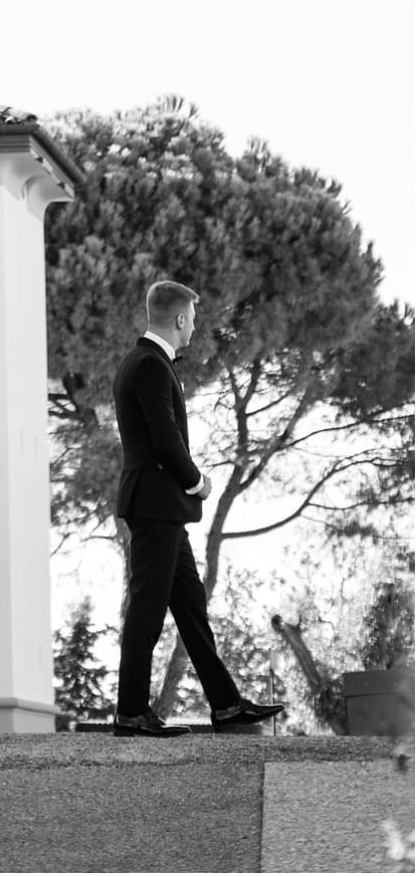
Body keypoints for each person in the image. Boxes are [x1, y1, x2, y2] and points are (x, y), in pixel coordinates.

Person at [112, 279, 285, 738]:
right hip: (157, 507)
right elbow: (165, 440)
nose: (196, 325)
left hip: (162, 508)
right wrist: (198, 482)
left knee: (190, 608)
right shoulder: (149, 365)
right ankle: (130, 712)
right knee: (147, 611)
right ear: (182, 318)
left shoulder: (146, 362)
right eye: (194, 317)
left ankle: (226, 705)